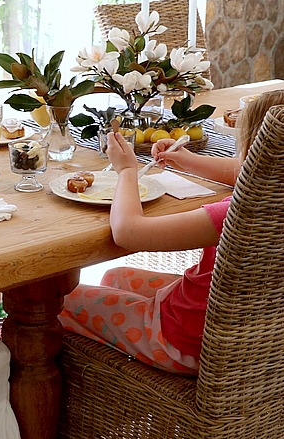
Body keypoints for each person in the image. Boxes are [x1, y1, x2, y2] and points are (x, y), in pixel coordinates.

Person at [60, 90, 284, 374]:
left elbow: (127, 232)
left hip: (187, 340)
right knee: (114, 277)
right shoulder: (274, 197)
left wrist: (126, 170)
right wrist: (187, 160)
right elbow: (245, 171)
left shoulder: (238, 214)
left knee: (59, 301)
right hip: (248, 336)